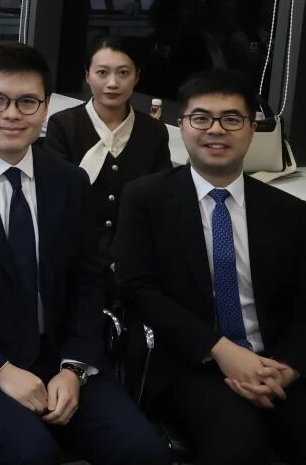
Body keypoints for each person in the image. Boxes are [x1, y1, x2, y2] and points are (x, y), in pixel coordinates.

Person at [0, 41, 167, 465]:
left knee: (144, 450)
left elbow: (88, 282)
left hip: (60, 359)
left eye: (27, 102)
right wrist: (0, 371)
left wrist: (74, 368)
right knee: (33, 455)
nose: (12, 114)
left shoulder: (69, 182)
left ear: (45, 109)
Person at [116, 69, 306, 464]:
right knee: (240, 447)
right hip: (190, 362)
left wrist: (288, 366)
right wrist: (220, 349)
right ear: (181, 125)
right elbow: (136, 288)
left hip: (272, 360)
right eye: (201, 118)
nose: (216, 130)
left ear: (251, 128)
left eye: (232, 119)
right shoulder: (146, 198)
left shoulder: (289, 211)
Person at [44, 37, 171, 292]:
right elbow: (59, 201)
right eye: (102, 72)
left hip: (137, 263)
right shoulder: (63, 125)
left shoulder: (154, 131)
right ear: (87, 75)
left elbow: (161, 203)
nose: (113, 83)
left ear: (137, 77)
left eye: (123, 73)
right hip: (76, 260)